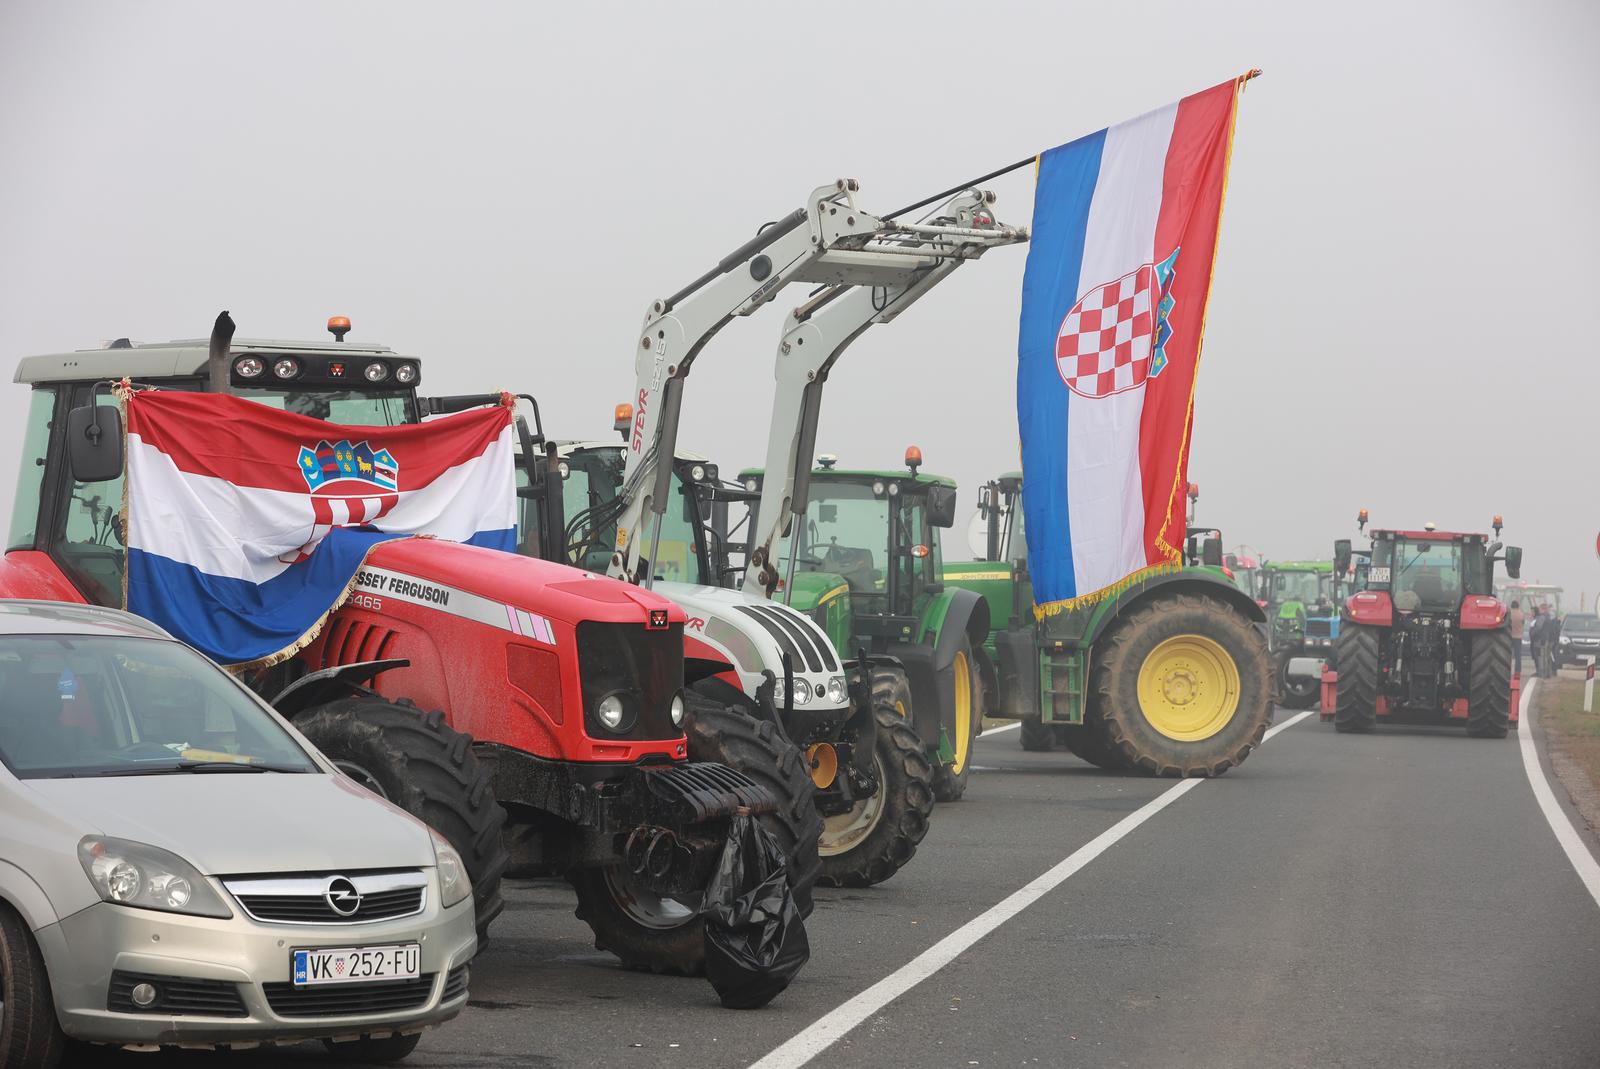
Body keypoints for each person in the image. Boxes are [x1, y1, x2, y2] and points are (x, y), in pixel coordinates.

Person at [1508, 599, 1525, 676]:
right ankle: (1517, 671)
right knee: (1518, 655)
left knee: (1508, 654)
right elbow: (1523, 623)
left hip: (1509, 636)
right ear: (1518, 606)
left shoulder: (1508, 613)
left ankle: (1507, 669)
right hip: (1518, 637)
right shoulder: (1521, 614)